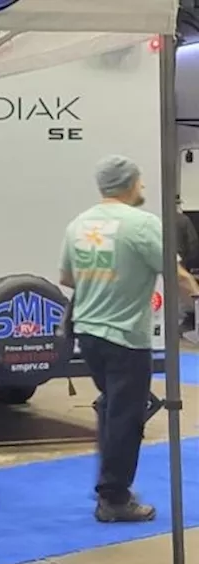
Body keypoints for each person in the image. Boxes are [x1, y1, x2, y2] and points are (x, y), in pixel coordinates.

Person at [60, 156, 199, 522]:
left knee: (113, 409)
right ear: (130, 183)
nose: (143, 188)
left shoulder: (79, 224)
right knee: (126, 417)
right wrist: (195, 297)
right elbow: (176, 274)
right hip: (124, 336)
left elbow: (68, 278)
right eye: (140, 182)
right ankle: (114, 499)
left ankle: (111, 484)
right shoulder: (142, 224)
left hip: (88, 333)